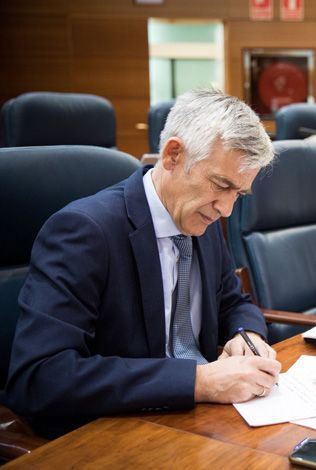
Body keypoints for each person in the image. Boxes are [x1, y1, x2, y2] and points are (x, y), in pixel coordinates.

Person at [5, 89, 280, 438]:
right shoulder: (84, 232)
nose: (226, 209)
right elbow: (40, 377)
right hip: (116, 430)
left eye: (237, 194)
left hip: (200, 421)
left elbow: (231, 301)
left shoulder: (201, 218)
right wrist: (199, 382)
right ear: (173, 155)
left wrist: (247, 332)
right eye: (220, 185)